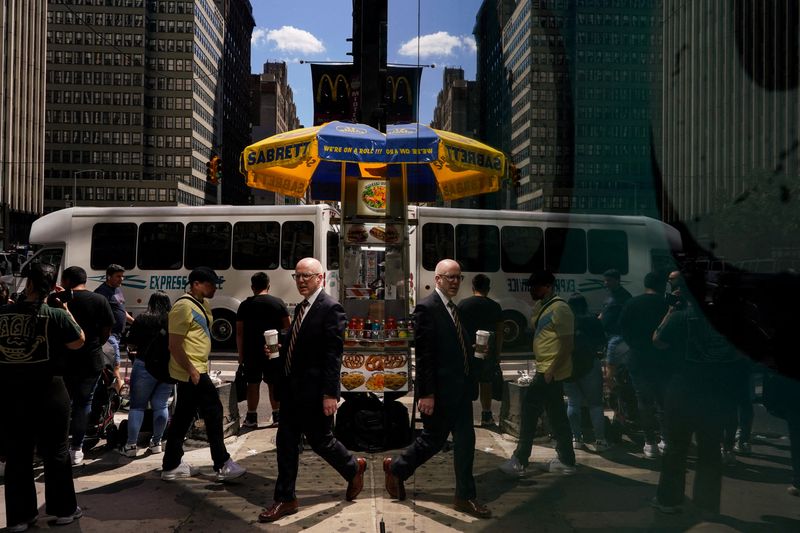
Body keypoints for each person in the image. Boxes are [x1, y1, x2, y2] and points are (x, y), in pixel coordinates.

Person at [259, 258, 366, 523]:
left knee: (322, 441)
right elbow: (302, 342)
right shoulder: (302, 308)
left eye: (307, 275)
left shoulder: (331, 308)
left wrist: (331, 394)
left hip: (314, 391)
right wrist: (281, 345)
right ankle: (285, 498)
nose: (301, 280)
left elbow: (333, 355)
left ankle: (353, 468)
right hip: (292, 390)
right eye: (297, 276)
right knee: (286, 443)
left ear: (320, 278)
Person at [383, 259, 491, 519]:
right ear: (438, 279)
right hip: (441, 391)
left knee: (466, 440)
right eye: (450, 277)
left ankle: (464, 497)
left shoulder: (455, 309)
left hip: (461, 389)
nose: (455, 282)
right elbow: (424, 355)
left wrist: (477, 354)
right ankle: (397, 468)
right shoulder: (427, 308)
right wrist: (427, 393)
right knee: (433, 440)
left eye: (458, 277)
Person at [0, 263, 85, 531]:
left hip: (13, 393)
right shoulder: (56, 315)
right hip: (49, 392)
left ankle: (19, 517)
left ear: (29, 285)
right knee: (56, 451)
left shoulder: (2, 314)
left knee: (18, 454)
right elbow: (78, 340)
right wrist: (66, 309)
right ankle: (63, 510)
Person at [650, 271, 739, 515]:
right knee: (710, 450)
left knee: (676, 447)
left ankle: (669, 500)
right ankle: (707, 503)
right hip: (715, 392)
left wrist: (671, 310)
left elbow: (657, 339)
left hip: (683, 391)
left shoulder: (680, 317)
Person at [160, 266, 246, 482]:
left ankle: (171, 465)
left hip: (196, 369)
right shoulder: (182, 307)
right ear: (196, 284)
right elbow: (174, 345)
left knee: (183, 418)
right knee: (214, 411)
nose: (214, 288)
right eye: (210, 284)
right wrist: (191, 370)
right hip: (191, 371)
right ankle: (222, 463)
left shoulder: (202, 304)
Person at [499, 270, 576, 477]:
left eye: (536, 287)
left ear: (548, 287)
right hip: (545, 369)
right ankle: (567, 460)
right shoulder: (544, 306)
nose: (532, 291)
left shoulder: (561, 309)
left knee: (529, 411)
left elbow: (567, 344)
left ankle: (520, 460)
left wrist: (551, 370)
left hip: (549, 371)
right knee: (556, 414)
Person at [59, 266, 114, 466]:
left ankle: (59, 445)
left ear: (66, 280)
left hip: (64, 360)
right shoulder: (99, 300)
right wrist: (96, 343)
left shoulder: (60, 300)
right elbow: (108, 329)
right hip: (91, 359)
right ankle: (76, 449)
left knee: (62, 404)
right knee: (84, 404)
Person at [620, 271, 670, 459]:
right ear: (662, 285)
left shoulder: (632, 303)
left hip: (638, 358)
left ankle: (650, 444)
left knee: (644, 402)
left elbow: (623, 328)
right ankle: (665, 440)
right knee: (663, 402)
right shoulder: (667, 305)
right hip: (663, 359)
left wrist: (635, 344)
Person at [121, 291, 175, 458]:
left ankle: (131, 445)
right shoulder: (172, 319)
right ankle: (157, 442)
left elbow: (130, 342)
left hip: (144, 363)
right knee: (161, 404)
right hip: (167, 367)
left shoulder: (143, 318)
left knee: (137, 406)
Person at [236, 272, 290, 428]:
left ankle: (251, 417)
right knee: (273, 384)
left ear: (252, 287)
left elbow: (239, 333)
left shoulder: (244, 306)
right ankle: (277, 415)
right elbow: (288, 328)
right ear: (269, 286)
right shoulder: (278, 303)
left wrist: (241, 355)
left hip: (250, 352)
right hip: (273, 351)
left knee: (252, 384)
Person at [563, 293, 609, 452]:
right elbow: (602, 342)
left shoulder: (566, 320)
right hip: (589, 363)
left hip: (569, 365)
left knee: (573, 402)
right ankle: (600, 440)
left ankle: (576, 438)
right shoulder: (592, 319)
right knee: (595, 404)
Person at [457, 273, 504, 428]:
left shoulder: (463, 305)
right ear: (488, 289)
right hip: (487, 352)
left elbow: (458, 330)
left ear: (473, 288)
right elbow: (500, 332)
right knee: (486, 383)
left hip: (468, 351)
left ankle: (465, 417)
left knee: (467, 383)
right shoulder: (495, 306)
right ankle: (486, 415)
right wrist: (497, 353)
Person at [94, 264, 134, 390]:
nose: (121, 279)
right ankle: (119, 393)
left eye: (122, 276)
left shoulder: (118, 290)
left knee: (115, 365)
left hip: (117, 335)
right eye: (118, 276)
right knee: (116, 365)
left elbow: (121, 310)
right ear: (109, 276)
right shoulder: (101, 292)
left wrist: (135, 322)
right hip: (109, 336)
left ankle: (115, 393)